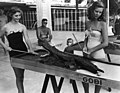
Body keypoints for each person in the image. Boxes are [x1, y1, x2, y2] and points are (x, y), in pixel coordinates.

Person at [64, 1, 108, 93]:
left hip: (98, 54)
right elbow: (86, 38)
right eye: (96, 11)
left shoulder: (103, 24)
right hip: (86, 53)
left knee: (98, 77)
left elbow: (105, 43)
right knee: (85, 76)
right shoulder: (88, 23)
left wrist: (91, 50)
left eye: (100, 12)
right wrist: (84, 47)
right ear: (92, 10)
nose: (98, 14)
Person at [0, 6, 36, 93]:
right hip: (13, 53)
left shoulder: (22, 26)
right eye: (16, 15)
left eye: (19, 15)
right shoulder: (5, 27)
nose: (18, 18)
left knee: (21, 75)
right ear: (11, 15)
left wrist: (30, 49)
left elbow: (27, 39)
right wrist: (5, 47)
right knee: (18, 75)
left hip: (23, 52)